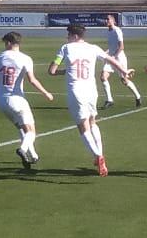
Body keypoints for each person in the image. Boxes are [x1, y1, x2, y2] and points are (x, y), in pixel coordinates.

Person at [49, 23, 130, 176]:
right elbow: (111, 60)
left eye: (68, 35)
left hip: (76, 91)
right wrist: (124, 71)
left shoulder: (65, 48)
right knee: (93, 122)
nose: (67, 38)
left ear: (74, 36)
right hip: (91, 90)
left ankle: (98, 156)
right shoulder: (93, 48)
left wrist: (63, 72)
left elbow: (52, 71)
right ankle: (100, 154)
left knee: (83, 126)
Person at [0, 30, 54, 170]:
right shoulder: (25, 58)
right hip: (17, 99)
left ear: (9, 43)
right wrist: (46, 93)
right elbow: (32, 80)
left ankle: (33, 156)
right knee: (31, 131)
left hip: (1, 101)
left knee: (22, 128)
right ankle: (23, 149)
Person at [102, 12, 144, 106]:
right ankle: (109, 100)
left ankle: (138, 96)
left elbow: (121, 47)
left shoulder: (117, 31)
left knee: (124, 81)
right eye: (105, 19)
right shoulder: (108, 31)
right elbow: (112, 46)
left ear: (113, 21)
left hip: (119, 58)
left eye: (108, 19)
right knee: (103, 77)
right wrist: (106, 53)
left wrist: (114, 56)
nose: (106, 21)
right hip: (111, 58)